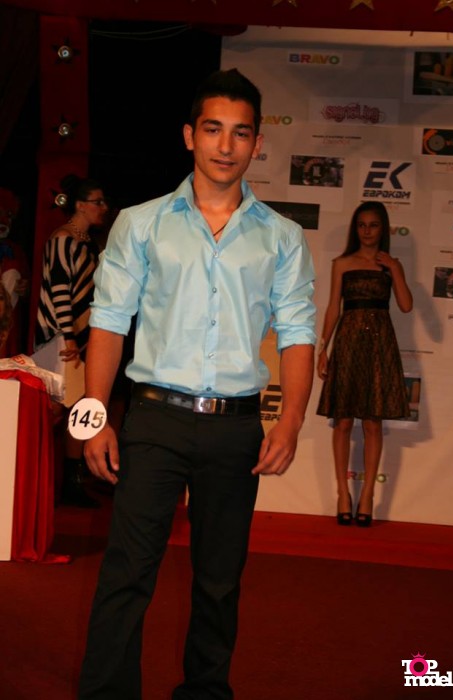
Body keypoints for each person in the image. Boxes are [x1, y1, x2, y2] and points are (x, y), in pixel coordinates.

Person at [78, 68, 316, 700]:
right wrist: (95, 415)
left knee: (219, 580)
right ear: (189, 135)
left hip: (236, 427)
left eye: (240, 133)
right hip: (154, 420)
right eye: (213, 129)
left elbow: (297, 333)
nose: (225, 145)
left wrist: (291, 421)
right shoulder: (141, 223)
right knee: (127, 573)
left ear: (257, 142)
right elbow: (109, 321)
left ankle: (207, 692)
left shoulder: (283, 238)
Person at [316, 201, 412, 527]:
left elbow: (406, 305)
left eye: (373, 225)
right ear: (355, 229)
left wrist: (395, 268)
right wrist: (323, 349)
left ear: (383, 229)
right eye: (361, 225)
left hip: (379, 345)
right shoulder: (342, 264)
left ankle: (368, 495)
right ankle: (343, 494)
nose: (367, 231)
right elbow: (333, 307)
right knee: (343, 421)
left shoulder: (391, 265)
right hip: (348, 342)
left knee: (372, 423)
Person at [34, 173, 109, 507]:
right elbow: (60, 291)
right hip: (60, 339)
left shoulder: (87, 243)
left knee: (76, 406)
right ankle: (42, 480)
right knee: (56, 408)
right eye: (97, 202)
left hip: (78, 339)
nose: (103, 208)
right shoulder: (63, 239)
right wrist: (68, 337)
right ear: (80, 205)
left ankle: (71, 481)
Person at [0, 186, 30, 359]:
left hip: (8, 329)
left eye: (9, 216)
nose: (4, 220)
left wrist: (25, 290)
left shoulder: (16, 252)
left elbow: (26, 291)